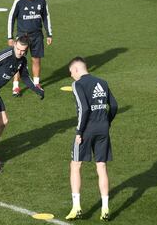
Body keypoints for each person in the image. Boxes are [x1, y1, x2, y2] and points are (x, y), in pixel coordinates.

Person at [0, 35, 44, 173]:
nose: (20, 52)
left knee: (4, 122)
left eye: (23, 51)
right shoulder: (5, 55)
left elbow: (24, 77)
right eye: (18, 49)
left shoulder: (21, 61)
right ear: (15, 45)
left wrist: (37, 89)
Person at [65, 57, 118, 221]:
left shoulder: (78, 84)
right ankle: (105, 208)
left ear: (75, 70)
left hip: (87, 129)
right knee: (101, 166)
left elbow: (84, 109)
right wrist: (106, 122)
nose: (72, 77)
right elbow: (114, 106)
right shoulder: (102, 82)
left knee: (75, 164)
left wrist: (79, 132)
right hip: (103, 128)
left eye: (71, 73)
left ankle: (76, 207)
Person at [7, 0, 52, 96]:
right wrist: (10, 37)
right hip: (22, 36)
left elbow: (46, 17)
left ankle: (36, 83)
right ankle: (16, 86)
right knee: (18, 60)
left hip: (37, 36)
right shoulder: (19, 1)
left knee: (36, 60)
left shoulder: (42, 0)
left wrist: (49, 34)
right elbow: (11, 18)